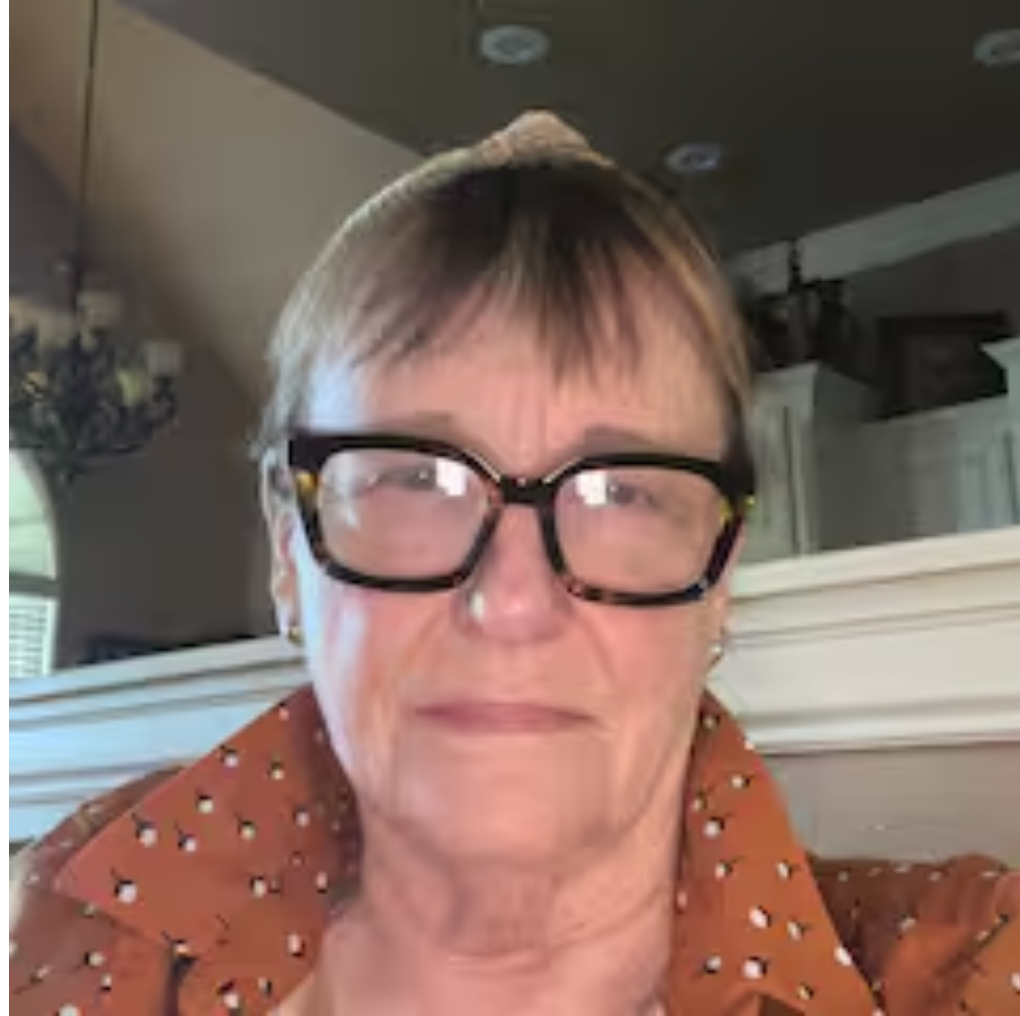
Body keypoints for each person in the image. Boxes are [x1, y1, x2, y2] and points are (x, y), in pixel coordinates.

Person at [9, 113, 1018, 1016]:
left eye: (621, 489)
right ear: (289, 549)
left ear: (718, 579)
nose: (512, 600)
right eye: (416, 478)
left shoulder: (961, 967)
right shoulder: (60, 913)